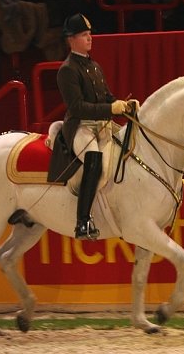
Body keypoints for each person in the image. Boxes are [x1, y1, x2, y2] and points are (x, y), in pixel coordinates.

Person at [53, 13, 128, 240]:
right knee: (94, 159)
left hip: (101, 125)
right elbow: (77, 107)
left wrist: (123, 105)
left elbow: (106, 96)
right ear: (72, 39)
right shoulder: (67, 70)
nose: (90, 38)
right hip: (80, 126)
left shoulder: (94, 66)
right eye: (84, 35)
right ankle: (83, 221)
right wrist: (110, 109)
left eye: (90, 34)